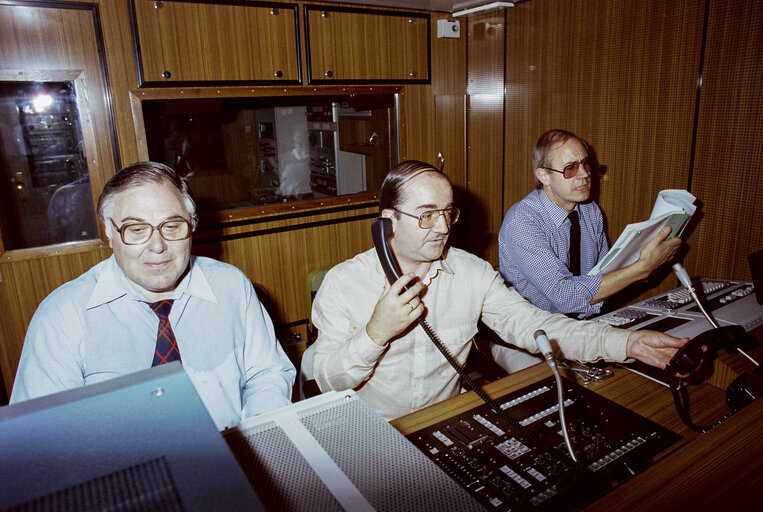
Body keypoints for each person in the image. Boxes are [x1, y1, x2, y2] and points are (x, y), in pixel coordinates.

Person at [311, 160, 687, 421]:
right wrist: (377, 331)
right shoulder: (344, 284)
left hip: (447, 417)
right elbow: (327, 380)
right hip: (372, 432)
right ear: (387, 221)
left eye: (448, 212)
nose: (442, 227)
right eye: (427, 215)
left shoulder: (472, 272)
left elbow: (535, 326)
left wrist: (626, 343)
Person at [11, 162, 296, 430]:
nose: (158, 246)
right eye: (136, 230)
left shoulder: (231, 286)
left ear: (191, 225)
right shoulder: (63, 315)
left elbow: (267, 374)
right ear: (110, 232)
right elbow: (40, 433)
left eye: (172, 226)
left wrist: (257, 442)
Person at [494, 130, 682, 372]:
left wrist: (645, 254)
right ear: (544, 175)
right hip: (527, 338)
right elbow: (564, 296)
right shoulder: (522, 222)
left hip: (581, 326)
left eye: (585, 164)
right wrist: (641, 268)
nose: (584, 175)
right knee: (564, 393)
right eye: (570, 168)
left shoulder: (591, 211)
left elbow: (607, 272)